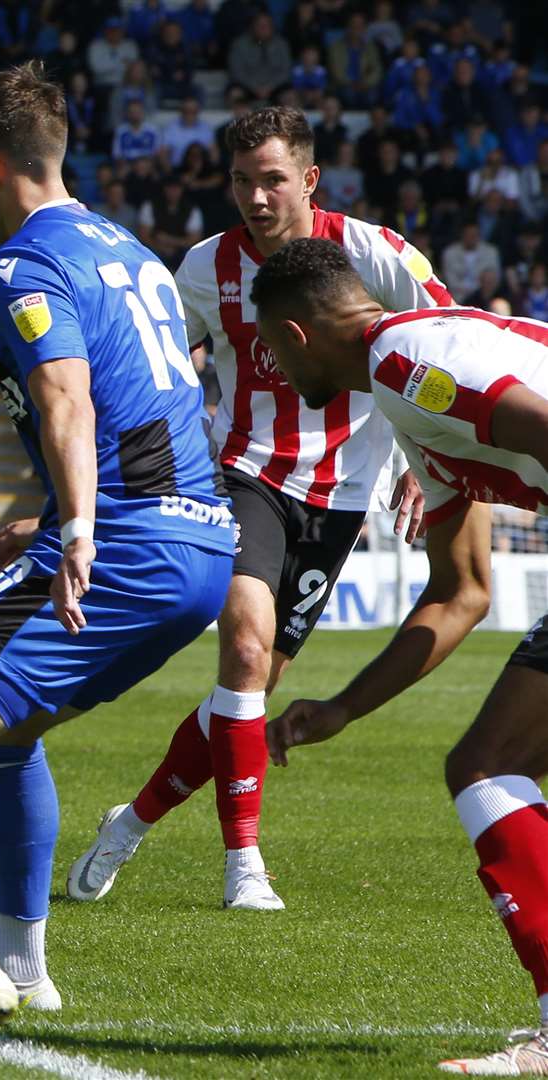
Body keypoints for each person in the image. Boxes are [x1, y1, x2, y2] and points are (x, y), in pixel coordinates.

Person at [0, 63, 235, 1029]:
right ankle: (24, 969)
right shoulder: (132, 251)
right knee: (7, 733)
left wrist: (76, 529)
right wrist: (75, 508)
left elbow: (66, 393)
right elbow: (158, 402)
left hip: (128, 545)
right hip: (195, 545)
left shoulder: (25, 261)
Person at [68, 106, 452, 912]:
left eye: (273, 178)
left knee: (246, 696)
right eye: (242, 180)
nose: (256, 195)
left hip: (342, 494)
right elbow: (163, 362)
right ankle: (245, 862)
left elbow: (441, 337)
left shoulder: (374, 253)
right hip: (243, 474)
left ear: (309, 179)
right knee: (243, 653)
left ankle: (131, 820)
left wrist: (430, 457)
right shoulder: (208, 267)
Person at [251, 237, 548, 1075]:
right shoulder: (408, 388)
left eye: (270, 348)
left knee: (490, 768)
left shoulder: (408, 363)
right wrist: (345, 706)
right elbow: (463, 590)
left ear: (297, 335)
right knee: (488, 767)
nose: (272, 368)